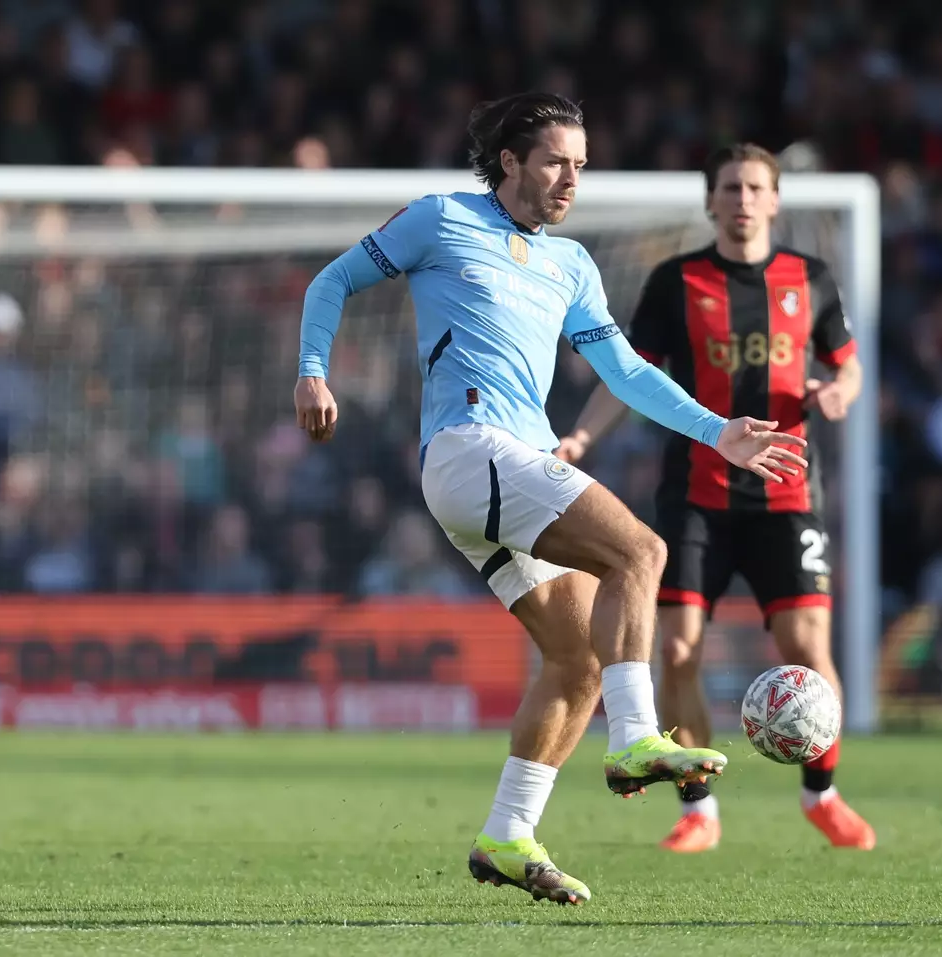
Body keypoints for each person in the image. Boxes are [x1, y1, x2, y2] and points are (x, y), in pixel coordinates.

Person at [294, 94, 809, 905]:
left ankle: (508, 833)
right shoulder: (440, 219)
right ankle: (637, 738)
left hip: (510, 468)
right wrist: (312, 371)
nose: (572, 179)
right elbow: (334, 281)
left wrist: (717, 431)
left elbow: (627, 373)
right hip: (470, 448)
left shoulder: (571, 265)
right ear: (510, 162)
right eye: (556, 162)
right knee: (641, 550)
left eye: (581, 165)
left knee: (578, 659)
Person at [557, 143, 875, 854]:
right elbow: (627, 373)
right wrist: (580, 436)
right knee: (676, 649)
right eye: (730, 188)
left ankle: (821, 793)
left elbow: (849, 367)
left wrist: (838, 392)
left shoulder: (811, 278)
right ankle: (698, 809)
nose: (742, 199)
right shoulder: (676, 281)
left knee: (806, 646)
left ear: (775, 199)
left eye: (755, 187)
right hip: (696, 497)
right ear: (710, 202)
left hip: (787, 496)